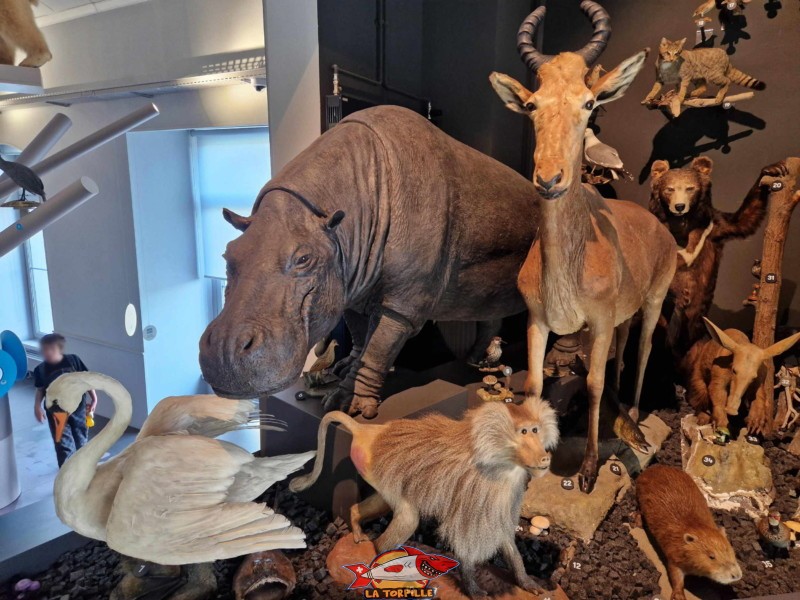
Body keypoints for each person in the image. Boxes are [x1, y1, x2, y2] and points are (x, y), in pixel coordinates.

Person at [33, 333, 98, 467]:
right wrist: (37, 407)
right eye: (44, 349)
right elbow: (40, 390)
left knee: (81, 438)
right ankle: (66, 472)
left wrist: (94, 399)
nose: (48, 352)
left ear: (60, 349)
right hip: (56, 412)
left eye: (51, 349)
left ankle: (83, 467)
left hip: (78, 409)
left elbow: (86, 380)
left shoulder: (73, 361)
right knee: (62, 443)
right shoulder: (40, 370)